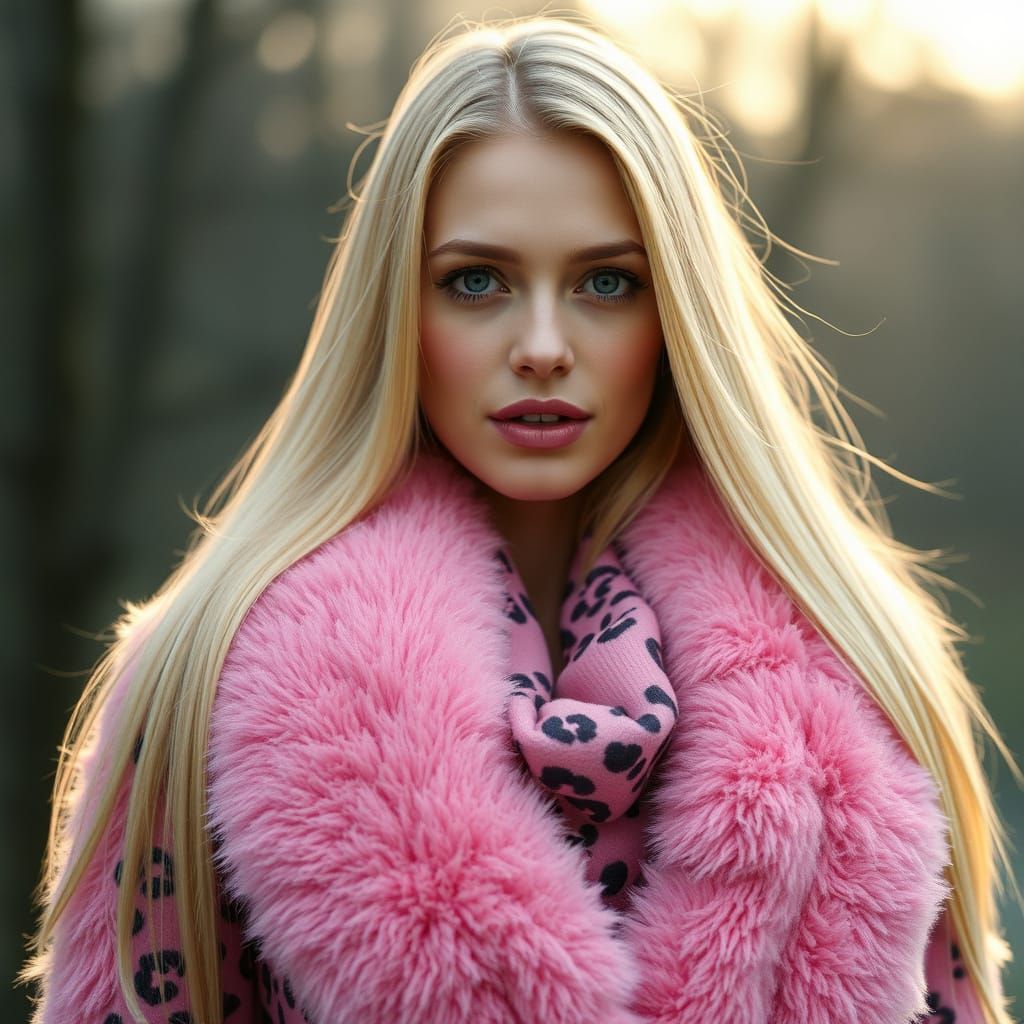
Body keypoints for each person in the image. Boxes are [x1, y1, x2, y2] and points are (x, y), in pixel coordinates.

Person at [21, 14, 1017, 1024]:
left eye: (605, 282)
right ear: (398, 308)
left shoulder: (858, 669)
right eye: (477, 281)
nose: (541, 345)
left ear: (673, 312)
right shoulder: (208, 673)